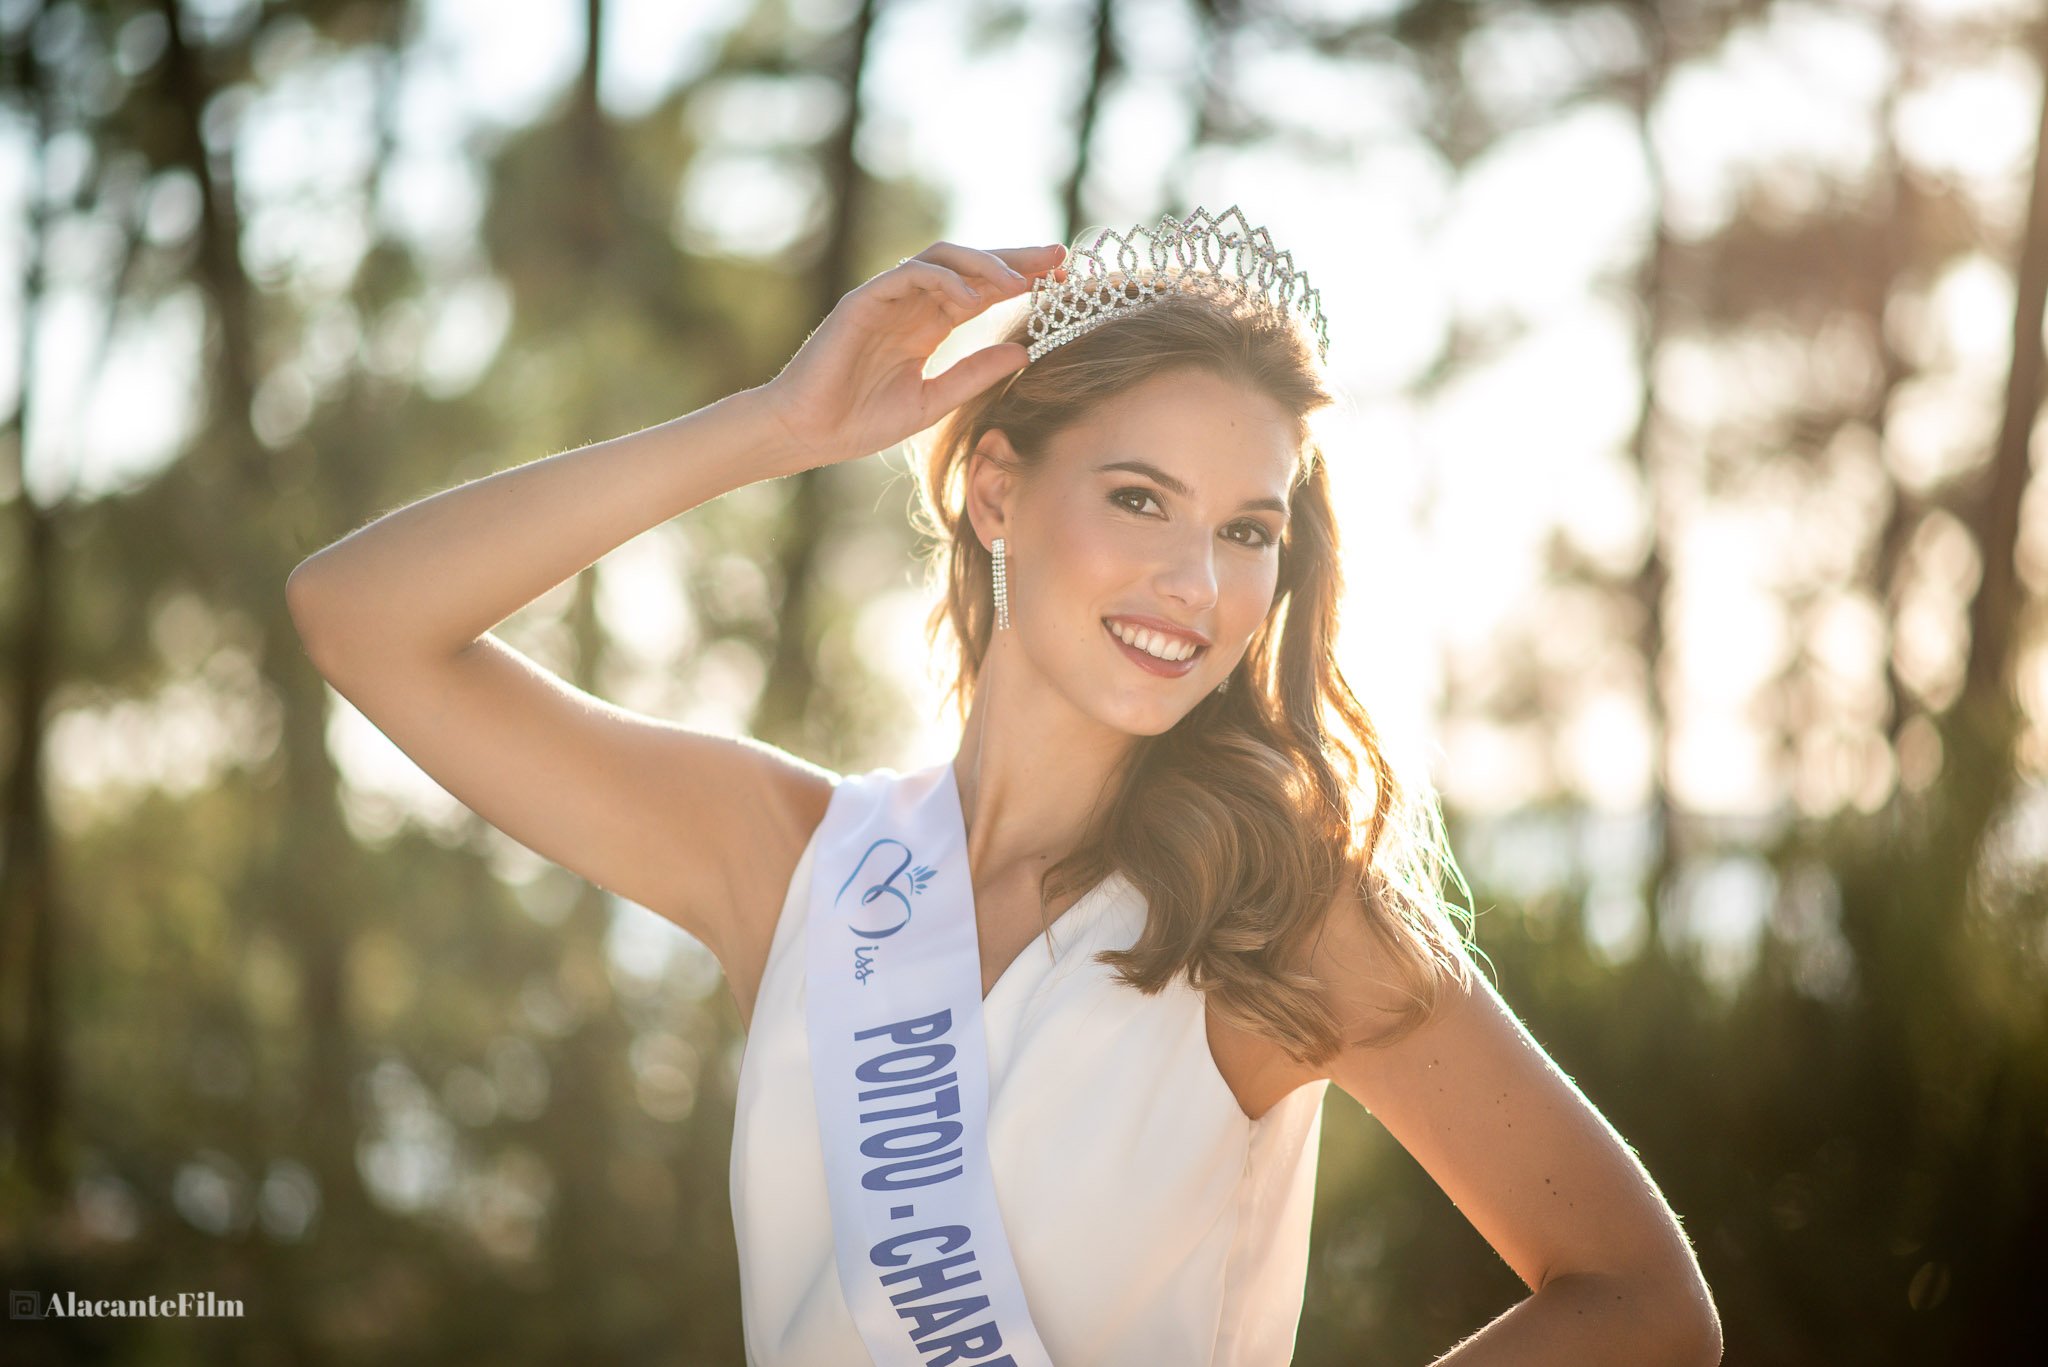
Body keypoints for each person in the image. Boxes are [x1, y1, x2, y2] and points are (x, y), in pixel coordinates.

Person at [287, 207, 1721, 1366]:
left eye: (1246, 530)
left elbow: (1642, 1301)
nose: (1196, 585)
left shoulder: (1278, 915)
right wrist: (778, 429)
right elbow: (356, 615)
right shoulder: (795, 864)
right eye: (1140, 499)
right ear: (995, 495)